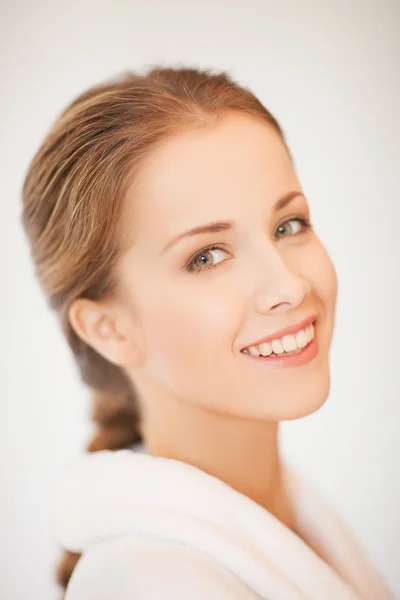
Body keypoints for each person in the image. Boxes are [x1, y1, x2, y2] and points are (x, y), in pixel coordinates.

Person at [21, 66, 394, 600]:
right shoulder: (151, 585)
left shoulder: (291, 513)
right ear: (109, 328)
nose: (287, 285)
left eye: (288, 226)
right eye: (206, 256)